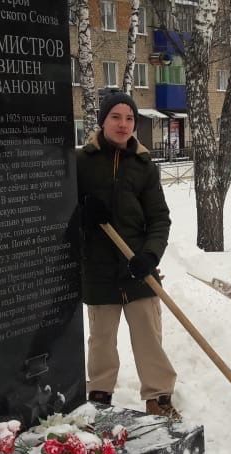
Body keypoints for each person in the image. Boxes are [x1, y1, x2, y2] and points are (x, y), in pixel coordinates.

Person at [77, 90, 180, 420]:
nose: (123, 125)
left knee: (149, 338)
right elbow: (59, 210)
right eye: (116, 117)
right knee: (101, 341)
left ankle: (158, 397)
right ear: (103, 121)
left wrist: (150, 255)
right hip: (99, 268)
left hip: (138, 268)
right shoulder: (82, 162)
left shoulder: (144, 166)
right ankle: (99, 394)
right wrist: (82, 210)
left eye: (130, 118)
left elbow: (159, 218)